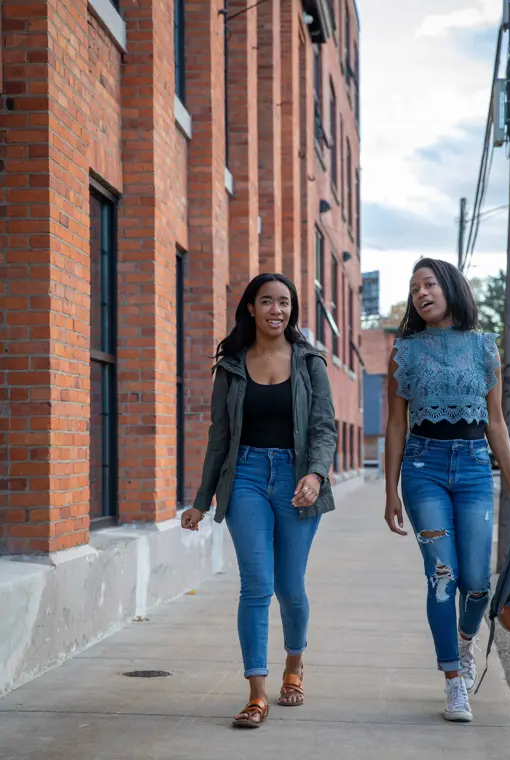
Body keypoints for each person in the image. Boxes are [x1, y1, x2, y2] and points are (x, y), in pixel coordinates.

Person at [384, 258, 510, 723]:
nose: (421, 293)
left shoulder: (483, 347)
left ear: (450, 287)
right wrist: (390, 492)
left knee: (476, 583)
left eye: (429, 284)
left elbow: (496, 422)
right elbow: (396, 425)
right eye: (414, 288)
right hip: (423, 469)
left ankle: (465, 643)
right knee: (443, 576)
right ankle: (453, 680)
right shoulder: (404, 351)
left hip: (472, 470)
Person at [181, 273, 337, 729]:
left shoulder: (310, 362)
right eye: (267, 301)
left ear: (292, 309)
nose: (276, 310)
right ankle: (256, 693)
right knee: (256, 584)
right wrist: (201, 500)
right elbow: (219, 436)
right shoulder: (231, 365)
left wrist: (315, 474)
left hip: (296, 477)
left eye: (284, 302)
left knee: (289, 588)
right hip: (246, 476)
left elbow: (324, 427)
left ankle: (294, 666)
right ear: (251, 307)